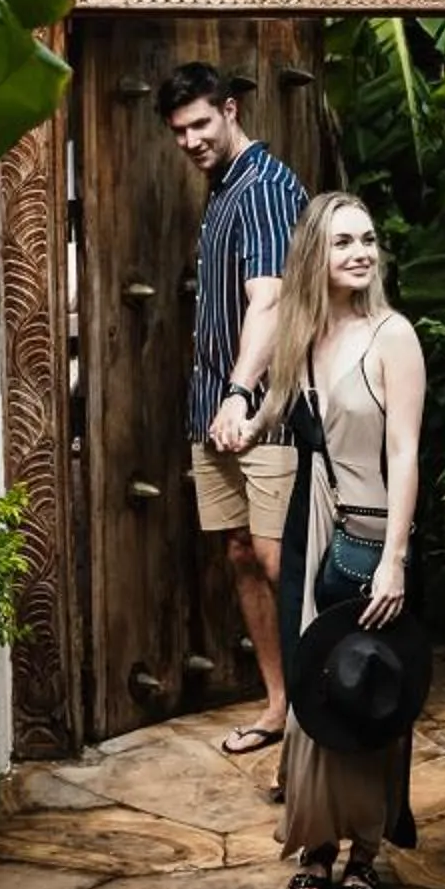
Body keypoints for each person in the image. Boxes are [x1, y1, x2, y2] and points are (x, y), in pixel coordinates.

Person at [221, 191, 427, 889]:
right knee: (314, 691)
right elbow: (283, 408)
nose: (361, 253)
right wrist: (241, 416)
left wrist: (395, 557)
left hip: (371, 534)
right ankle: (315, 844)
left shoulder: (393, 336)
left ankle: (365, 852)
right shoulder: (304, 335)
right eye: (343, 242)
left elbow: (405, 453)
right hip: (311, 528)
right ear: (316, 253)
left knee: (367, 686)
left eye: (367, 239)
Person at [158, 60, 308, 768]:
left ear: (230, 111)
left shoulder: (265, 187)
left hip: (263, 410)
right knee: (243, 553)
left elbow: (271, 299)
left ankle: (318, 723)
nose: (190, 141)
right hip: (216, 411)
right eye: (178, 131)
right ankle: (279, 707)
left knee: (280, 559)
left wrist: (241, 393)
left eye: (200, 124)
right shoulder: (222, 189)